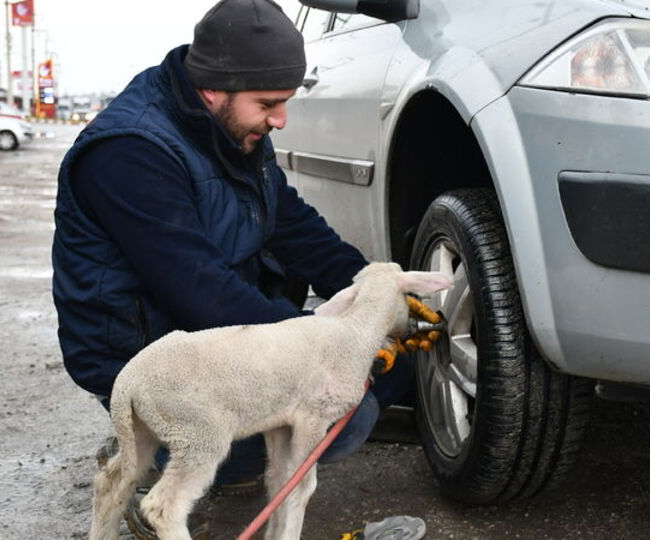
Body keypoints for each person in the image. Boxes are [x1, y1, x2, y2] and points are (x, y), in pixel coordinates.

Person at [51, 0, 420, 537]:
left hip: (213, 333)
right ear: (213, 89)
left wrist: (373, 297)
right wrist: (322, 350)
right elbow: (199, 289)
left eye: (285, 102)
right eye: (268, 103)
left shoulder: (233, 132)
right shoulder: (129, 152)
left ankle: (184, 451)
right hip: (152, 357)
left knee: (384, 369)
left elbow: (296, 226)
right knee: (344, 418)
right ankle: (148, 459)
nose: (281, 119)